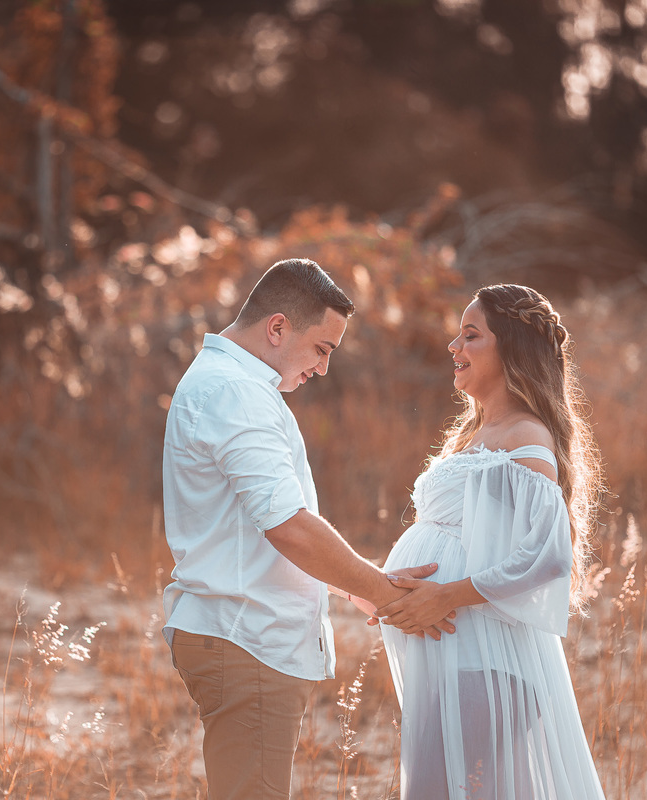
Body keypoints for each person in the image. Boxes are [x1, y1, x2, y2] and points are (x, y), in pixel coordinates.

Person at [162, 258, 453, 800]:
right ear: (277, 328)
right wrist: (384, 593)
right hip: (247, 640)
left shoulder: (231, 384)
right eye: (322, 349)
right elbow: (289, 528)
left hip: (242, 635)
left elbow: (255, 531)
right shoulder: (236, 392)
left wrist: (355, 591)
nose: (323, 368)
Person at [374, 284, 606, 800]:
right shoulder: (477, 434)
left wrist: (446, 595)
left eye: (471, 335)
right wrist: (380, 591)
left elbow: (549, 555)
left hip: (485, 658)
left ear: (511, 350)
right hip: (458, 656)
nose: (454, 346)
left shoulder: (526, 436)